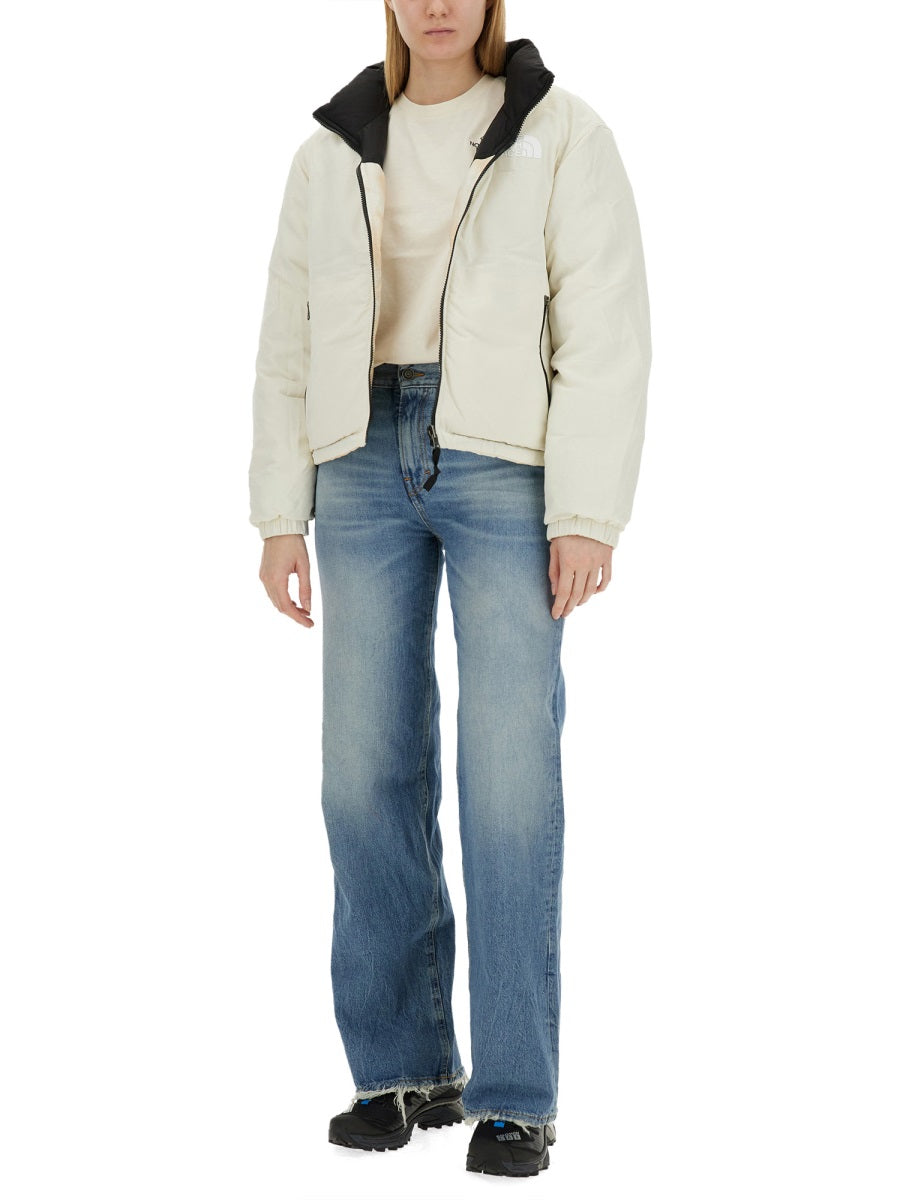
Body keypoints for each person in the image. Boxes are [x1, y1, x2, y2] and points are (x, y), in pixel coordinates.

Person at [248, 0, 651, 1179]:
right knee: (362, 770)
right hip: (356, 462)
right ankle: (403, 1066)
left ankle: (517, 1095)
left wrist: (586, 512)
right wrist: (279, 514)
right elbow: (286, 338)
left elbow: (604, 328)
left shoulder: (561, 132)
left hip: (503, 464)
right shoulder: (329, 150)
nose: (436, 4)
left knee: (508, 778)